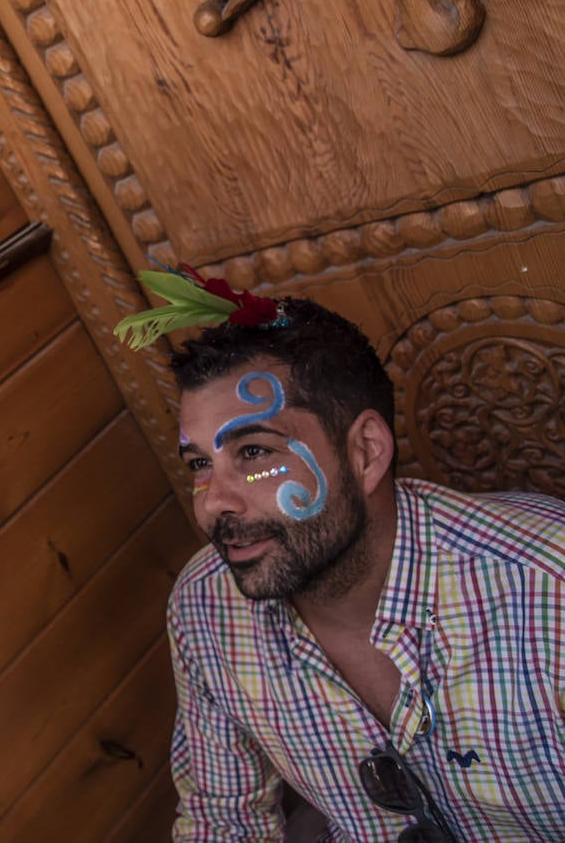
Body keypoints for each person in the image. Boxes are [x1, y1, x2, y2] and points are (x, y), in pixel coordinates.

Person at [115, 273, 565, 841]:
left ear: (365, 452)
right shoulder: (207, 606)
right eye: (199, 464)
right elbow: (223, 819)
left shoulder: (548, 585)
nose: (213, 506)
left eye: (253, 452)